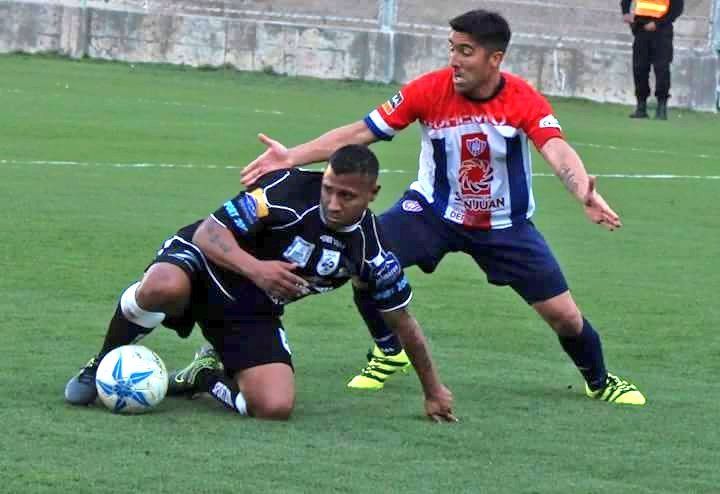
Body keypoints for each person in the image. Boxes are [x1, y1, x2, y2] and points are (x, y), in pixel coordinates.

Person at [241, 9, 646, 405]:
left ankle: (599, 381)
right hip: (432, 213)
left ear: (495, 58)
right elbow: (362, 132)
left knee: (566, 318)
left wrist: (582, 192)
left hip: (504, 225)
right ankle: (389, 351)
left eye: (465, 51)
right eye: (452, 48)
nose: (454, 59)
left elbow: (556, 149)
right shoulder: (428, 90)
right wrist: (291, 156)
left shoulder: (523, 99)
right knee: (364, 261)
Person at [64, 145, 456, 422]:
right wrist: (257, 269)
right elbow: (208, 232)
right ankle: (100, 363)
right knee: (160, 287)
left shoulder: (374, 253)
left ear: (372, 195)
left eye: (348, 196)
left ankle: (206, 376)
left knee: (274, 408)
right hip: (207, 261)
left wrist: (434, 390)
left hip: (251, 307)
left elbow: (403, 323)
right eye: (329, 189)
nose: (334, 203)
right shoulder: (285, 191)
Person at [622, 0, 684, 120]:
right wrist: (625, 12)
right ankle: (641, 107)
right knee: (639, 68)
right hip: (641, 28)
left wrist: (658, 23)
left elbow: (677, 9)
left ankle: (661, 108)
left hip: (662, 31)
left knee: (662, 69)